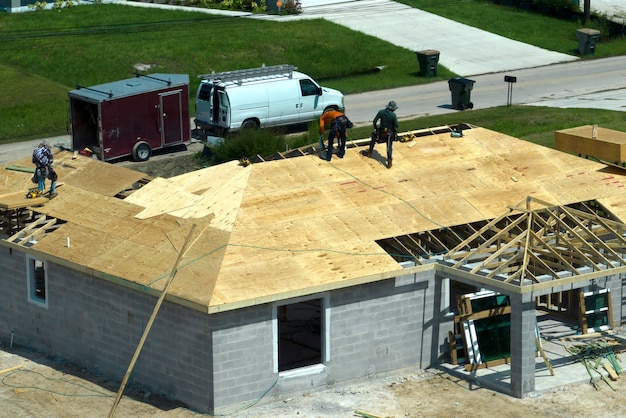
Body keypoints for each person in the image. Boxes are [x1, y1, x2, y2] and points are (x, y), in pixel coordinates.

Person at [363, 100, 399, 168]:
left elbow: (374, 122)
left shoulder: (381, 112)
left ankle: (370, 152)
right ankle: (389, 161)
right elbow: (396, 125)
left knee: (373, 138)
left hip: (381, 132)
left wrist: (376, 129)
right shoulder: (393, 115)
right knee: (389, 146)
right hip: (389, 133)